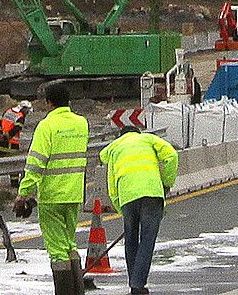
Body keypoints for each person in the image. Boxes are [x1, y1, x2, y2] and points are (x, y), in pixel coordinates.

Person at [14, 83, 89, 295]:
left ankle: (65, 291)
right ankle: (78, 290)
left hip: (52, 196)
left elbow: (36, 163)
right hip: (74, 194)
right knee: (69, 243)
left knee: (57, 250)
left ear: (49, 102)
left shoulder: (47, 126)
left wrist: (23, 193)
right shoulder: (81, 124)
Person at [99, 129, 179, 295]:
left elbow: (112, 185)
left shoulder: (115, 149)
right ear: (137, 133)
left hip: (127, 196)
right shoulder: (147, 139)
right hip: (151, 193)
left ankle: (134, 283)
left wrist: (120, 207)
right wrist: (167, 183)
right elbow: (172, 156)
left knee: (131, 240)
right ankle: (138, 284)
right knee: (147, 240)